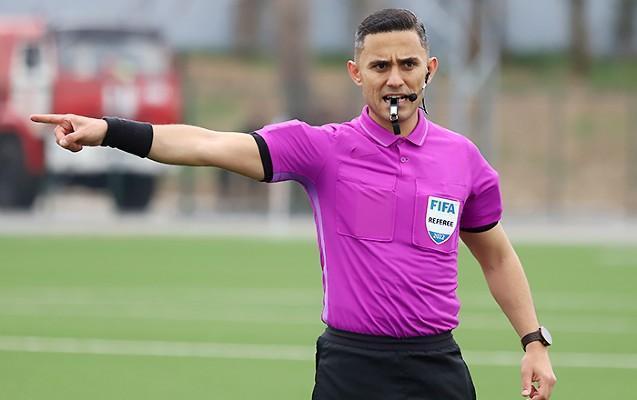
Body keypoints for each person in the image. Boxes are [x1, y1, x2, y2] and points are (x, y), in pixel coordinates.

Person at [31, 8, 556, 400]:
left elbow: (496, 256)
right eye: (380, 65)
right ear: (356, 72)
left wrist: (533, 341)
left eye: (407, 64)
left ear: (430, 69)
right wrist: (109, 130)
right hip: (352, 367)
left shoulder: (462, 159)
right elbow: (208, 145)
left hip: (437, 365)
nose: (394, 78)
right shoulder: (322, 148)